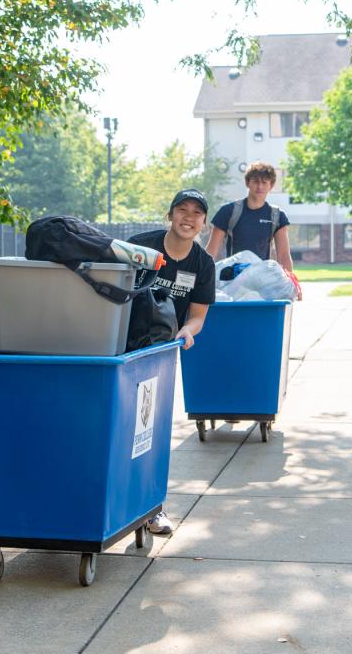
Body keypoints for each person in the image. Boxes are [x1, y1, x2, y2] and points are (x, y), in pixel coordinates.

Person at [127, 188, 216, 535]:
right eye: (182, 209)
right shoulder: (140, 246)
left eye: (197, 213)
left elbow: (198, 317)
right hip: (121, 349)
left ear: (204, 223)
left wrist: (187, 332)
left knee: (149, 430)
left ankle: (152, 509)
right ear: (170, 214)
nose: (188, 217)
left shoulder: (202, 264)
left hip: (158, 356)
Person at [207, 161, 295, 272]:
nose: (260, 186)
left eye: (264, 182)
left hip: (261, 279)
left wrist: (289, 283)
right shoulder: (228, 211)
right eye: (255, 182)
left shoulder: (277, 216)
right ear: (247, 183)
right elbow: (211, 251)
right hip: (232, 279)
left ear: (271, 185)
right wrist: (202, 278)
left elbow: (283, 255)